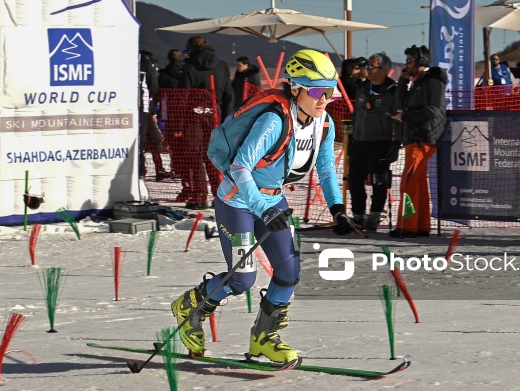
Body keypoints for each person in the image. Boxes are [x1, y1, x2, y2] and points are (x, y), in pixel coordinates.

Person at [171, 49, 354, 364]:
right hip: (238, 202)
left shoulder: (324, 123)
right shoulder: (274, 119)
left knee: (289, 271)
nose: (324, 99)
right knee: (242, 279)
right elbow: (241, 168)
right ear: (295, 87)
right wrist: (262, 207)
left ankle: (264, 339)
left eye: (330, 91)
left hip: (272, 199)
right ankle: (190, 306)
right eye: (316, 91)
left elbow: (325, 171)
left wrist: (337, 208)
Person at [390, 45, 446, 238]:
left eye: (410, 61)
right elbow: (401, 104)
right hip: (415, 136)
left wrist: (406, 117)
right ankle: (420, 226)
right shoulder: (419, 81)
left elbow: (433, 111)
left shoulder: (432, 82)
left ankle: (407, 226)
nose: (406, 64)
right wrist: (403, 81)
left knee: (408, 182)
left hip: (423, 137)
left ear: (421, 62)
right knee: (418, 183)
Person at [179, 36, 235, 209]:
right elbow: (228, 95)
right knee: (216, 157)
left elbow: (182, 97)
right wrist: (228, 121)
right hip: (215, 115)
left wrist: (179, 123)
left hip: (193, 115)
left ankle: (199, 196)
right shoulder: (222, 66)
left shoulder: (188, 67)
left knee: (195, 157)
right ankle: (221, 195)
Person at [349, 52, 401, 232]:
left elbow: (399, 118)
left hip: (380, 143)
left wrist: (396, 143)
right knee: (355, 181)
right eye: (367, 66)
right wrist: (351, 138)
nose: (368, 70)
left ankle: (374, 216)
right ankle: (358, 216)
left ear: (384, 70)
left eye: (372, 67)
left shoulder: (393, 90)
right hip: (359, 142)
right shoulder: (363, 88)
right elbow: (356, 113)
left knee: (379, 182)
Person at [139, 50, 174, 181]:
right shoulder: (147, 69)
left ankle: (154, 168)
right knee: (152, 139)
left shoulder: (146, 67)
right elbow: (154, 88)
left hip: (146, 109)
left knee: (153, 139)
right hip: (146, 109)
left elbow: (153, 88)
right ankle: (147, 168)